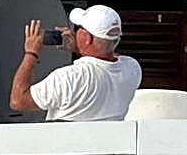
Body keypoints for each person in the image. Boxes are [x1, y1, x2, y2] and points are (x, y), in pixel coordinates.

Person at [9, 7, 142, 122]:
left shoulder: (69, 77)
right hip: (104, 149)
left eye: (78, 29)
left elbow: (18, 101)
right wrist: (81, 48)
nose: (74, 31)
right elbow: (108, 56)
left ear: (87, 37)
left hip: (64, 149)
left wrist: (31, 53)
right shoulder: (132, 69)